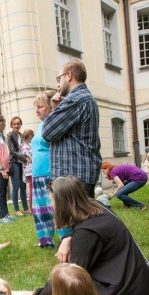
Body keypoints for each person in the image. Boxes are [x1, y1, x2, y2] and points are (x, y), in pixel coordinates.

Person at [32, 176, 149, 295]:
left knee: (69, 291)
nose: (51, 206)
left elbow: (71, 279)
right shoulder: (98, 208)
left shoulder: (86, 234)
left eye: (52, 201)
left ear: (63, 204)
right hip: (136, 291)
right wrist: (67, 238)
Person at [42, 59, 102, 198]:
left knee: (74, 219)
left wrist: (52, 109)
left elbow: (47, 132)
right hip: (80, 175)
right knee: (84, 219)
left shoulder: (75, 100)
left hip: (73, 177)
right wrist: (57, 108)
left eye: (60, 78)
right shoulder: (86, 98)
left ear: (69, 76)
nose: (58, 83)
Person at [31, 90, 71, 248]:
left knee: (56, 209)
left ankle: (65, 239)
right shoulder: (41, 125)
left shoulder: (54, 122)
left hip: (50, 173)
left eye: (40, 106)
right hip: (37, 175)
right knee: (40, 210)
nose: (37, 110)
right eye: (36, 107)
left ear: (50, 107)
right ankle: (45, 240)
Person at [6, 116, 29, 216]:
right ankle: (16, 209)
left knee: (23, 185)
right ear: (11, 125)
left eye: (18, 123)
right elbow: (12, 151)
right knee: (16, 186)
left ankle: (26, 208)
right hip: (14, 162)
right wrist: (24, 157)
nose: (16, 125)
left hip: (22, 163)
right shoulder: (10, 135)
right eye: (14, 124)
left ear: (20, 124)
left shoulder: (22, 135)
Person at [20, 129, 34, 213]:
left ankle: (33, 207)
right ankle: (32, 208)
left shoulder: (28, 145)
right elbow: (31, 158)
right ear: (28, 136)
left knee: (32, 188)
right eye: (31, 136)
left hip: (30, 169)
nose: (32, 137)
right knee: (32, 189)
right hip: (30, 170)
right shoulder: (25, 147)